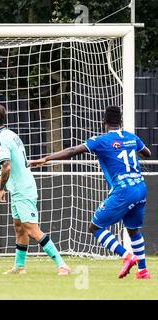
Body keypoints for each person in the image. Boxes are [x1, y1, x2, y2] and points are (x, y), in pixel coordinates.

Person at [29, 106, 151, 279]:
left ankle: (127, 256)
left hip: (124, 190)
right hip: (140, 187)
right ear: (121, 121)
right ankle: (143, 271)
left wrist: (46, 158)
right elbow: (147, 153)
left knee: (95, 227)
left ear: (104, 123)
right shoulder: (132, 137)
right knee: (133, 230)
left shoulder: (100, 140)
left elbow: (72, 151)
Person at [0, 103, 70, 275]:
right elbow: (16, 168)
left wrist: (1, 188)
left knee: (32, 230)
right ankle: (19, 266)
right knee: (19, 227)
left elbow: (7, 167)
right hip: (20, 187)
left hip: (22, 190)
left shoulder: (1, 140)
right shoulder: (12, 135)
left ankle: (61, 264)